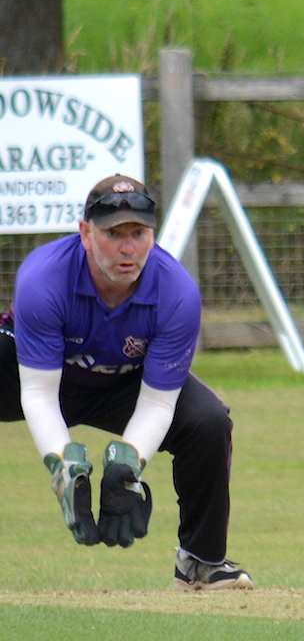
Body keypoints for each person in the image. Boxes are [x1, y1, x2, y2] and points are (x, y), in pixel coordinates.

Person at [0, 174, 252, 591]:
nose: (128, 248)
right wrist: (63, 465)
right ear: (86, 233)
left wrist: (128, 462)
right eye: (114, 233)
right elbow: (39, 392)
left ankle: (201, 563)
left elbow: (157, 402)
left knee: (208, 422)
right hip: (40, 374)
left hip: (124, 383)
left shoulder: (177, 293)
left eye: (139, 232)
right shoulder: (44, 278)